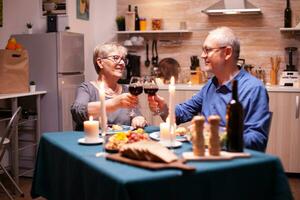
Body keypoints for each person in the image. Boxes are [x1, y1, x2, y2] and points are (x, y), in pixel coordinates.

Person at [148, 27, 270, 152]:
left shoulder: (253, 89)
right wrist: (163, 109)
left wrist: (213, 133)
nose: (202, 55)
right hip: (204, 155)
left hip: (232, 163)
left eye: (208, 50)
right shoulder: (212, 84)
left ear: (227, 52)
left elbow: (257, 140)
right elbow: (182, 113)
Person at [71, 43, 147, 131]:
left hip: (121, 142)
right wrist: (114, 103)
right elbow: (77, 112)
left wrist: (138, 119)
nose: (122, 63)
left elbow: (136, 114)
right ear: (100, 62)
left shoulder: (127, 89)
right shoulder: (87, 88)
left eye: (123, 59)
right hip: (94, 142)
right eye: (115, 58)